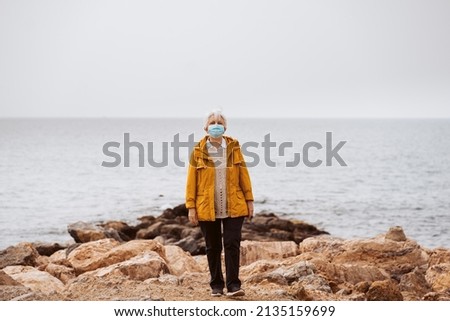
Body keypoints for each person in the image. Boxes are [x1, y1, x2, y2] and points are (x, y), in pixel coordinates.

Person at [185, 109, 254, 297]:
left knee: (232, 244)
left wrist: (249, 200)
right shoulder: (198, 151)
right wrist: (191, 206)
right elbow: (191, 181)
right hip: (207, 207)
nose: (216, 125)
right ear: (206, 128)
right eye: (213, 122)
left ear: (225, 127)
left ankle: (234, 285)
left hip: (235, 205)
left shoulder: (234, 148)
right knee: (212, 246)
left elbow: (243, 175)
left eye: (219, 122)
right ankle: (216, 285)